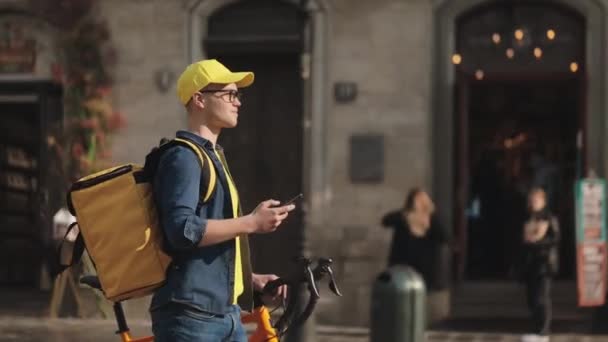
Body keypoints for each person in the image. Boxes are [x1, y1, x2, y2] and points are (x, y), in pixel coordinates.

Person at [150, 59, 295, 342]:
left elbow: (210, 244)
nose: (237, 102)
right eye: (229, 94)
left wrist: (249, 280)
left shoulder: (212, 156)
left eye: (237, 95)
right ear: (199, 100)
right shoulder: (184, 158)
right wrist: (251, 222)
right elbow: (182, 230)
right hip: (192, 318)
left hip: (225, 315)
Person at [381, 188, 449, 290]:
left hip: (425, 272)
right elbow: (386, 221)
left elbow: (444, 237)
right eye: (419, 200)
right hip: (402, 270)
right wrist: (406, 216)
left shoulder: (432, 219)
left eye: (424, 199)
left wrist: (430, 217)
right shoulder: (403, 216)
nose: (422, 203)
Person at [520, 187, 559, 342]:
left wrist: (538, 242)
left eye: (536, 200)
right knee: (531, 298)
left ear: (543, 201)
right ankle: (535, 330)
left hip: (544, 263)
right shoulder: (529, 217)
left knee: (541, 298)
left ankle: (543, 332)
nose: (533, 203)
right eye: (531, 200)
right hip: (531, 263)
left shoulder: (549, 217)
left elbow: (556, 239)